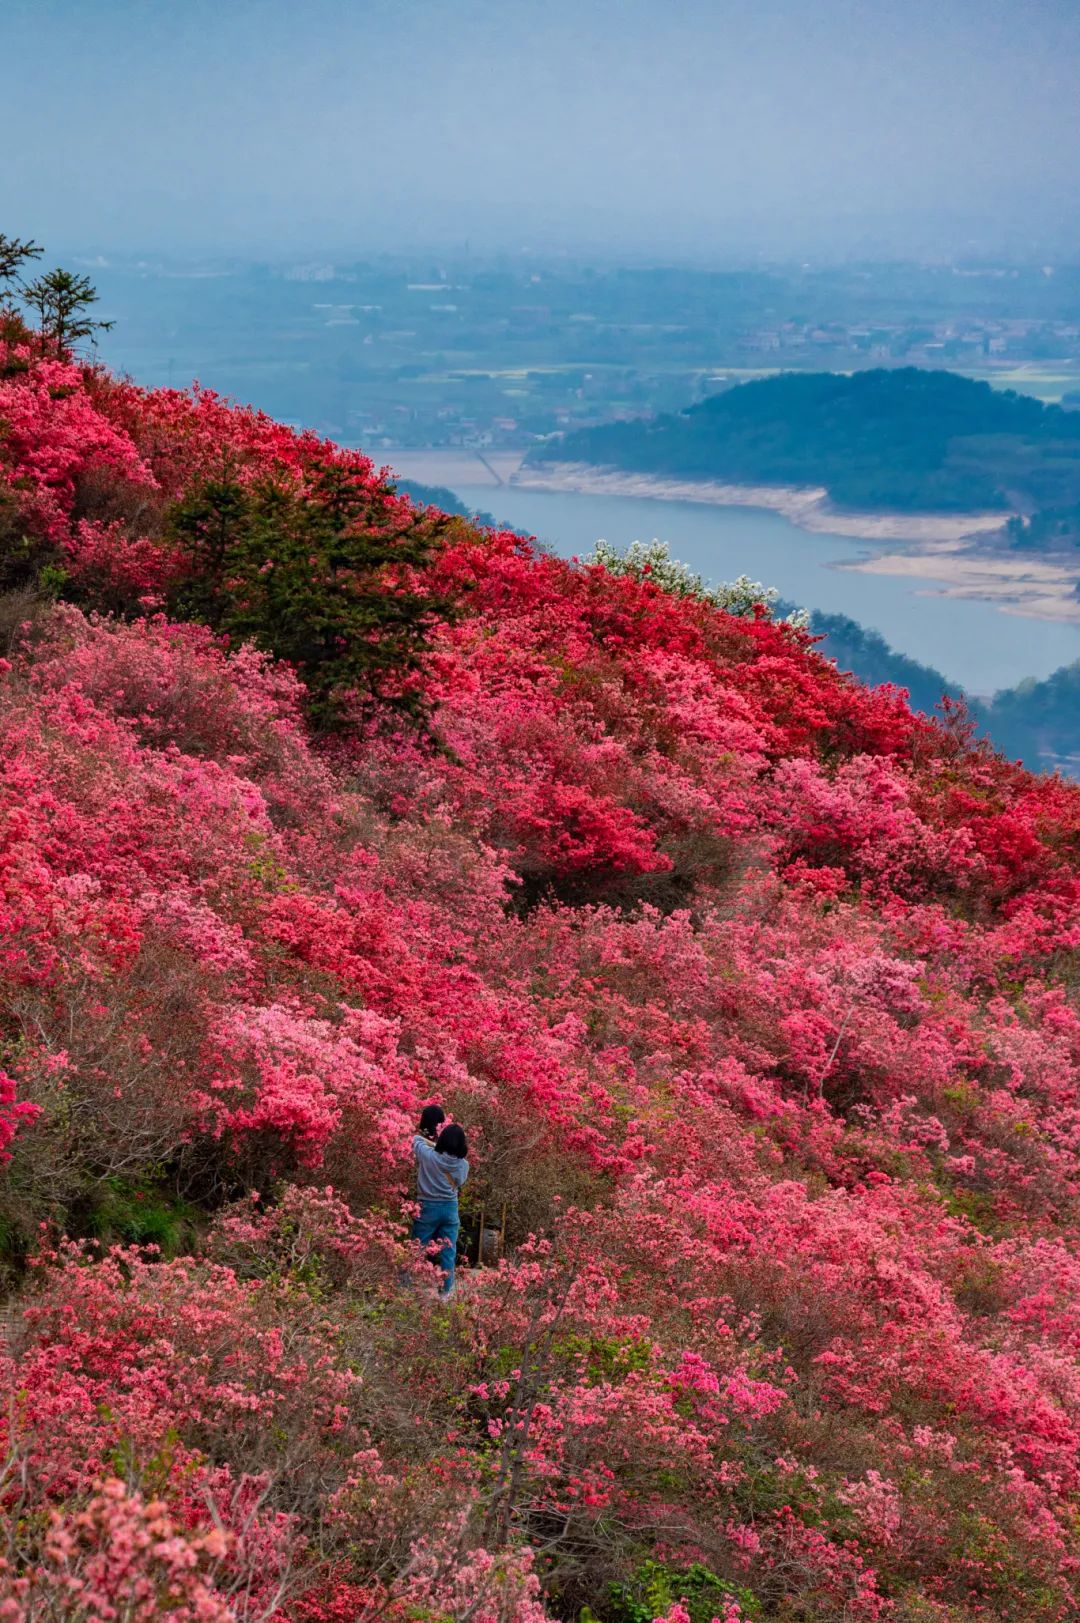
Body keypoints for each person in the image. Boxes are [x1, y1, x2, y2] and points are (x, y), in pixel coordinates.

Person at [411, 1120, 469, 1297]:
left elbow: (416, 1140)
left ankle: (407, 1286)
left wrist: (434, 1144)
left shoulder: (428, 1156)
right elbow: (459, 1183)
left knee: (416, 1249)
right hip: (450, 1208)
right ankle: (445, 1292)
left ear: (442, 1140)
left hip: (427, 1207)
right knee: (448, 1252)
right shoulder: (463, 1165)